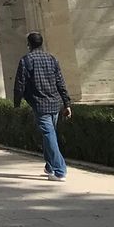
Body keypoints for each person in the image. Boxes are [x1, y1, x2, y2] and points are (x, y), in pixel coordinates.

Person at [13, 31, 72, 181]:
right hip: (54, 102)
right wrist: (67, 103)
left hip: (40, 104)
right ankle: (50, 166)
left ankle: (60, 170)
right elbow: (60, 82)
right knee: (49, 135)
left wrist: (17, 103)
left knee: (49, 135)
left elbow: (20, 84)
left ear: (29, 44)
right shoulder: (52, 59)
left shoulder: (26, 60)